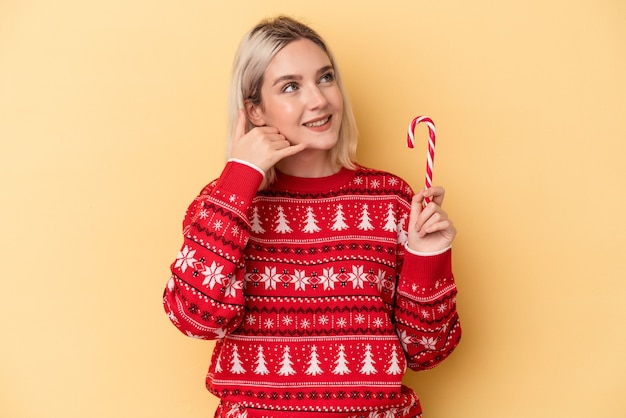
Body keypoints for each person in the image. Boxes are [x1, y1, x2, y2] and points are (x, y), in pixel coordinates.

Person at [163, 15, 461, 418]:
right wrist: (239, 178)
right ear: (255, 111)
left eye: (325, 78)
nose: (319, 100)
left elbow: (427, 352)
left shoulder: (391, 199)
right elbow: (194, 317)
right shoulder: (224, 203)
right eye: (291, 87)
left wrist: (429, 259)